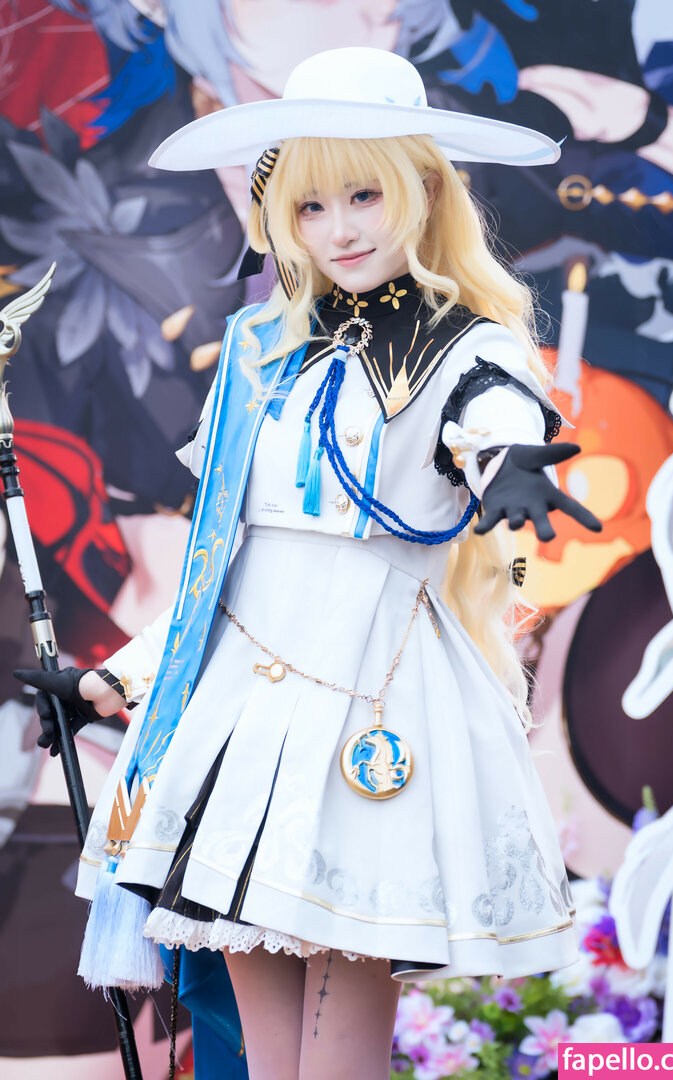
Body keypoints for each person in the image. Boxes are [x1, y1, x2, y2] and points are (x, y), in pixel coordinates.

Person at [16, 47, 602, 1080]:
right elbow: (222, 560)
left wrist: (507, 464)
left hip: (373, 708)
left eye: (364, 195)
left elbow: (496, 414)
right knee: (267, 1057)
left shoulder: (469, 345)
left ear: (425, 191)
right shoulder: (260, 351)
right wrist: (119, 679)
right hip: (245, 720)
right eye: (312, 205)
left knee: (336, 1053)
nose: (341, 229)